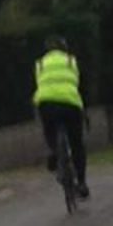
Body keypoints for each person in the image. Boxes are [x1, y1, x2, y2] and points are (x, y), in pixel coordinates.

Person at [34, 35, 89, 199]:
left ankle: (54, 151)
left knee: (49, 130)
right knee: (77, 143)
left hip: (47, 103)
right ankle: (82, 182)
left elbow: (40, 83)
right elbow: (77, 83)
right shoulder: (71, 61)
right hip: (70, 103)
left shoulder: (40, 64)